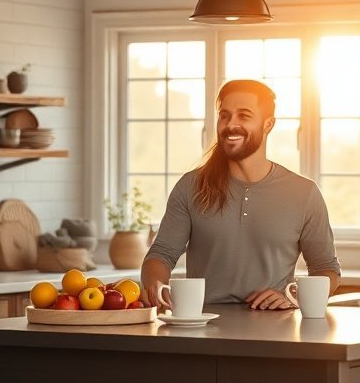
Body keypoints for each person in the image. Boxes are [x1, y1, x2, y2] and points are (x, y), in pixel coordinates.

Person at [142, 79, 341, 312]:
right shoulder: (191, 186)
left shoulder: (304, 192)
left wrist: (294, 295)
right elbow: (161, 254)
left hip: (277, 330)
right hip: (202, 326)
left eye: (244, 116)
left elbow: (327, 270)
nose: (230, 125)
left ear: (268, 124)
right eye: (224, 115)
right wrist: (155, 285)